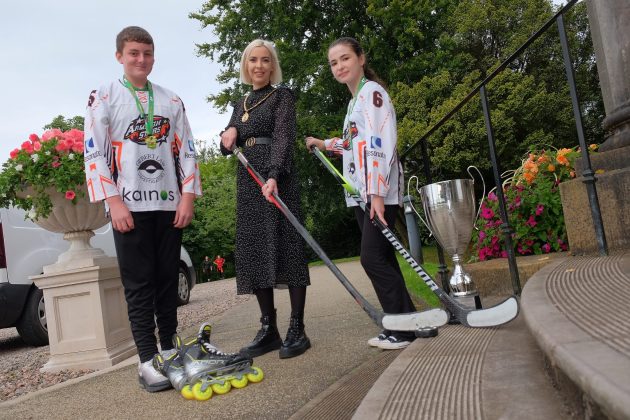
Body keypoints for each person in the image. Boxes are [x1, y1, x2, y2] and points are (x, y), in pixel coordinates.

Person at [84, 26, 201, 391]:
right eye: (134, 53)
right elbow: (94, 151)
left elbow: (187, 150)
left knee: (168, 281)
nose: (141, 60)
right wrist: (113, 201)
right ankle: (147, 360)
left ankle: (169, 348)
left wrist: (187, 196)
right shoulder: (102, 96)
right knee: (139, 285)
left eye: (147, 53)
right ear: (120, 56)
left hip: (168, 204)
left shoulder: (171, 100)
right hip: (129, 207)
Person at [305, 37, 417, 350]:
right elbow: (354, 144)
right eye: (334, 63)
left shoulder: (373, 94)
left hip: (376, 194)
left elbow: (381, 143)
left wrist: (377, 193)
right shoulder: (353, 102)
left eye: (345, 59)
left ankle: (403, 330)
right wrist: (325, 144)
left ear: (361, 59)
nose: (339, 66)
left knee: (370, 258)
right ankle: (408, 321)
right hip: (359, 193)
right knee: (383, 257)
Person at [220, 39, 311, 359]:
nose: (258, 66)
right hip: (248, 182)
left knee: (289, 247)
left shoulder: (281, 95)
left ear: (273, 66)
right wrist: (226, 135)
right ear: (246, 65)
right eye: (253, 60)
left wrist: (274, 174)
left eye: (265, 60)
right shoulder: (241, 101)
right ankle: (268, 329)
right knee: (255, 249)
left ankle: (297, 328)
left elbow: (285, 137)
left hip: (277, 178)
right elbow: (229, 141)